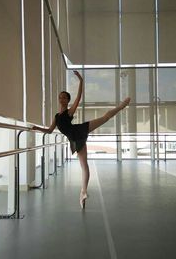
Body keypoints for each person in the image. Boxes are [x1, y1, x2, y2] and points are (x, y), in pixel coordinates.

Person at [33, 71, 130, 209]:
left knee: (104, 118)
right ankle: (83, 193)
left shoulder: (69, 112)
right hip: (75, 140)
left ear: (67, 100)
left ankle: (121, 106)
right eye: (60, 97)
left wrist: (81, 80)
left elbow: (78, 97)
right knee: (84, 166)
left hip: (79, 130)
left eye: (64, 98)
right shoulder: (56, 116)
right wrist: (37, 128)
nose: (62, 99)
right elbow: (49, 130)